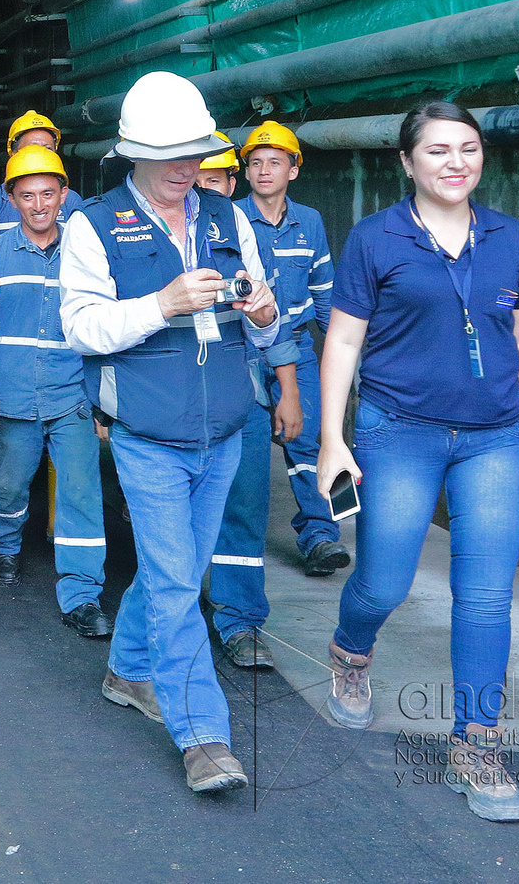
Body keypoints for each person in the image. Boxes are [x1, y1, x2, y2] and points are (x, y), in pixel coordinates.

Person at [315, 102, 519, 823]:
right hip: (400, 432)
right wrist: (332, 439)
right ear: (407, 161)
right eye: (439, 150)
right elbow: (345, 344)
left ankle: (476, 742)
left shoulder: (508, 237)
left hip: (496, 438)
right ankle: (352, 650)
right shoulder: (375, 239)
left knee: (486, 596)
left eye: (469, 149)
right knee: (384, 582)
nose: (456, 162)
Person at [59, 72, 280, 795]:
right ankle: (204, 735)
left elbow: (269, 320)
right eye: (176, 155)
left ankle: (127, 672)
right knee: (184, 581)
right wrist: (160, 303)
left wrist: (263, 313)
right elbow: (83, 329)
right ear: (136, 155)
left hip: (225, 432)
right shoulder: (92, 224)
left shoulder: (227, 219)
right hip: (147, 436)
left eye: (199, 153)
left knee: (168, 571)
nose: (192, 168)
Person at [207, 121, 344, 670]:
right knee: (239, 469)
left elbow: (326, 292)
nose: (265, 172)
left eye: (275, 162)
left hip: (290, 348)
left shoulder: (308, 222)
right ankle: (217, 598)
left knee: (308, 442)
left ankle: (320, 534)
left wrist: (341, 353)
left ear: (294, 168)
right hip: (239, 352)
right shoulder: (230, 219)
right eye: (256, 163)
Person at [0, 145, 110, 637]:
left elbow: (106, 328)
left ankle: (82, 592)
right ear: (12, 199)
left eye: (48, 193)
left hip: (72, 397)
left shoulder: (86, 253)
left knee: (81, 492)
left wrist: (104, 400)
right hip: (13, 397)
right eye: (27, 196)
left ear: (65, 195)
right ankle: (4, 546)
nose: (40, 204)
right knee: (8, 484)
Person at [0, 111, 84, 235]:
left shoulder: (71, 200)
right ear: (13, 155)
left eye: (47, 149)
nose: (41, 154)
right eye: (32, 148)